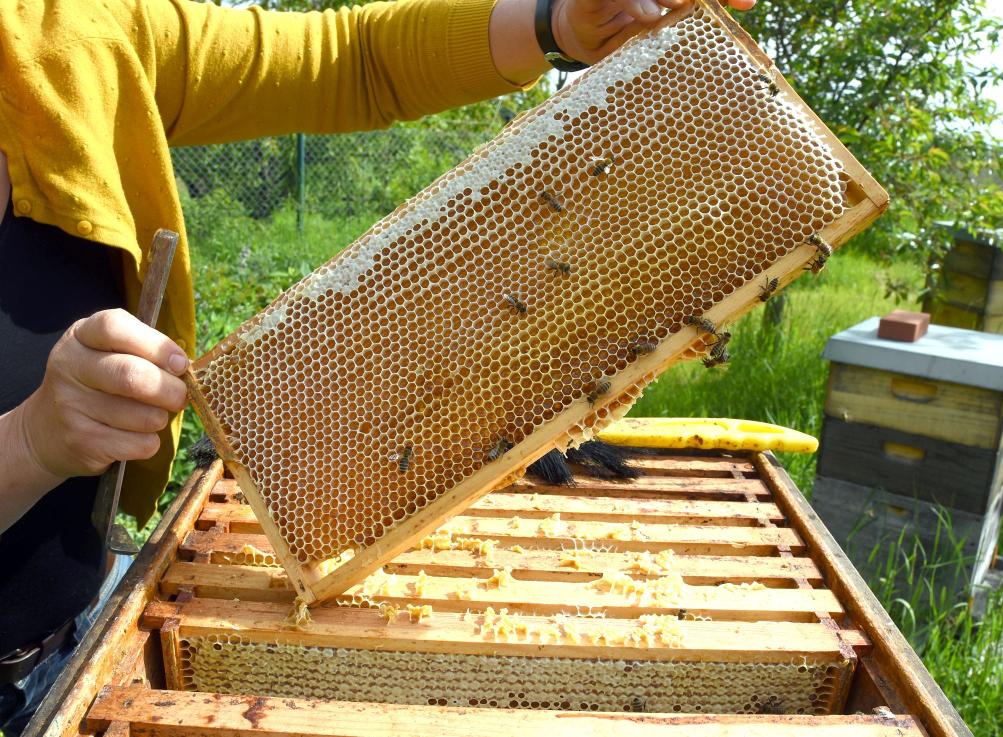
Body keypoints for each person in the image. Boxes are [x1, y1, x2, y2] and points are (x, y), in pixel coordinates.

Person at [0, 0, 756, 731]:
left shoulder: (63, 31)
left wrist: (553, 20)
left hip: (74, 630)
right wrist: (32, 441)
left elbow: (350, 59)